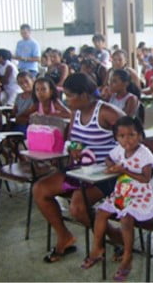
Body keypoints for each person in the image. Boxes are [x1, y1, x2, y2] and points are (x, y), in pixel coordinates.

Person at [33, 73, 125, 263]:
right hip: (82, 170)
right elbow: (74, 140)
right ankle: (65, 237)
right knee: (40, 189)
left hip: (105, 174)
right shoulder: (75, 111)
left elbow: (134, 139)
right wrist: (74, 149)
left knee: (77, 208)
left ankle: (115, 236)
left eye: (69, 95)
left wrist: (114, 162)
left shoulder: (107, 113)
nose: (66, 100)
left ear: (84, 95)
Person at [80, 116, 153, 280]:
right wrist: (111, 166)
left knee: (126, 220)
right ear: (116, 138)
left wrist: (124, 171)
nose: (127, 140)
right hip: (122, 194)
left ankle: (127, 257)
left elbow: (146, 178)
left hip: (140, 196)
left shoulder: (144, 153)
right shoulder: (119, 150)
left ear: (140, 135)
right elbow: (108, 158)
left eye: (132, 135)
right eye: (122, 136)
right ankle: (97, 248)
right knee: (100, 212)